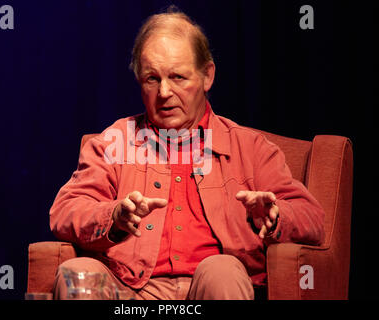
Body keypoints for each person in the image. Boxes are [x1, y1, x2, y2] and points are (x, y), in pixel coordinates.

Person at [50, 8, 324, 300]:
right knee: (77, 273)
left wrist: (274, 215)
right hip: (130, 291)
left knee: (223, 270)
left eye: (178, 77)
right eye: (152, 79)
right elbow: (65, 211)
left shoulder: (250, 147)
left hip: (212, 285)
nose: (164, 91)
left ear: (207, 76)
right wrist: (113, 216)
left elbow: (313, 218)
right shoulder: (114, 142)